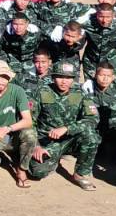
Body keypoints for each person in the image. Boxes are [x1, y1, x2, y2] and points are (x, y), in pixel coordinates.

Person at [31, 59, 99, 188]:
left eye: (68, 78)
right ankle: (54, 158)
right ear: (53, 77)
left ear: (73, 79)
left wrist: (67, 128)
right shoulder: (42, 92)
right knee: (37, 172)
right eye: (60, 77)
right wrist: (36, 146)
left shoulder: (80, 93)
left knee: (92, 136)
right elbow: (29, 121)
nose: (64, 81)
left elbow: (92, 119)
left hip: (71, 139)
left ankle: (80, 174)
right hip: (47, 141)